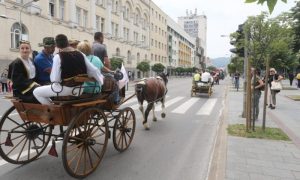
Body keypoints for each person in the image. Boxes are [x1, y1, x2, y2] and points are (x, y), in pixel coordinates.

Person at [33, 34, 104, 105]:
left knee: (36, 92)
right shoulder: (80, 54)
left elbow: (55, 79)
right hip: (80, 88)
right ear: (67, 43)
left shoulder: (58, 57)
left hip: (66, 89)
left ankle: (53, 110)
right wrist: (100, 81)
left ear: (57, 46)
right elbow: (94, 70)